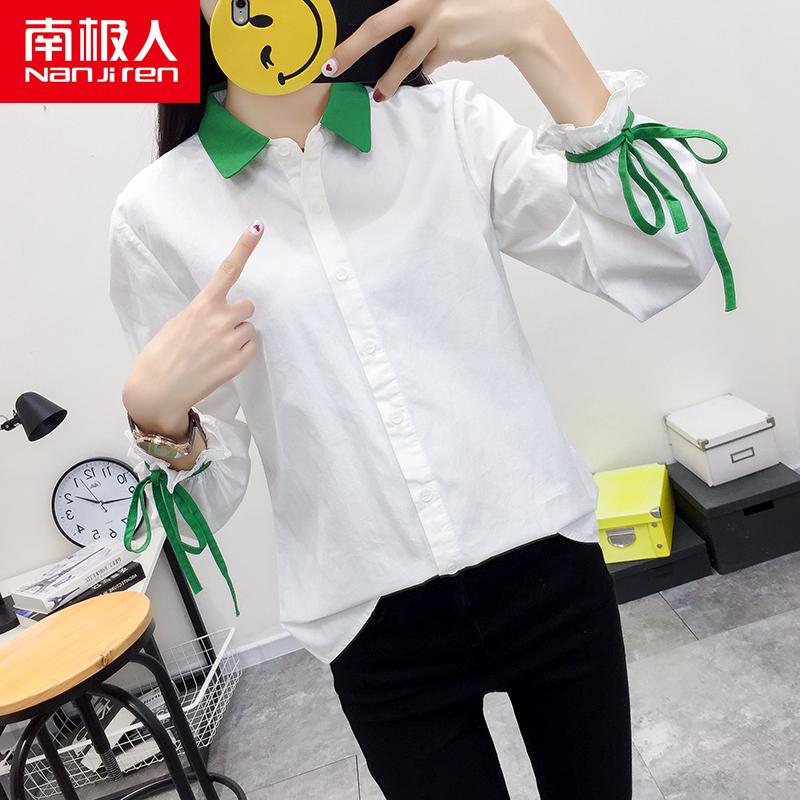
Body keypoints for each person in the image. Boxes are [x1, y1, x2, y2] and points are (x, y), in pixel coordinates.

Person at [108, 1, 733, 797]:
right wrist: (157, 416)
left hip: (546, 562)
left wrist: (539, 35)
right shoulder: (159, 213)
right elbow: (207, 496)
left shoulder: (447, 127)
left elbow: (669, 252)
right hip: (373, 619)